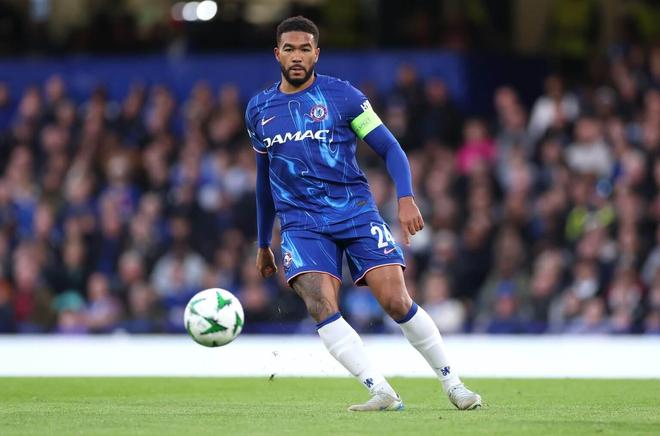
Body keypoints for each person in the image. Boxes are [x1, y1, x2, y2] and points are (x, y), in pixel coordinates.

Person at [245, 16, 481, 412]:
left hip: (354, 212)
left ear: (317, 54)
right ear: (277, 54)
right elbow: (263, 179)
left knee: (396, 300)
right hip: (301, 223)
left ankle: (453, 384)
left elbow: (390, 148)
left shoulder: (345, 97)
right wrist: (262, 241)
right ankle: (381, 390)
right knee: (320, 304)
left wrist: (405, 198)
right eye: (289, 49)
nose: (297, 56)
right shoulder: (259, 109)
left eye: (305, 49)